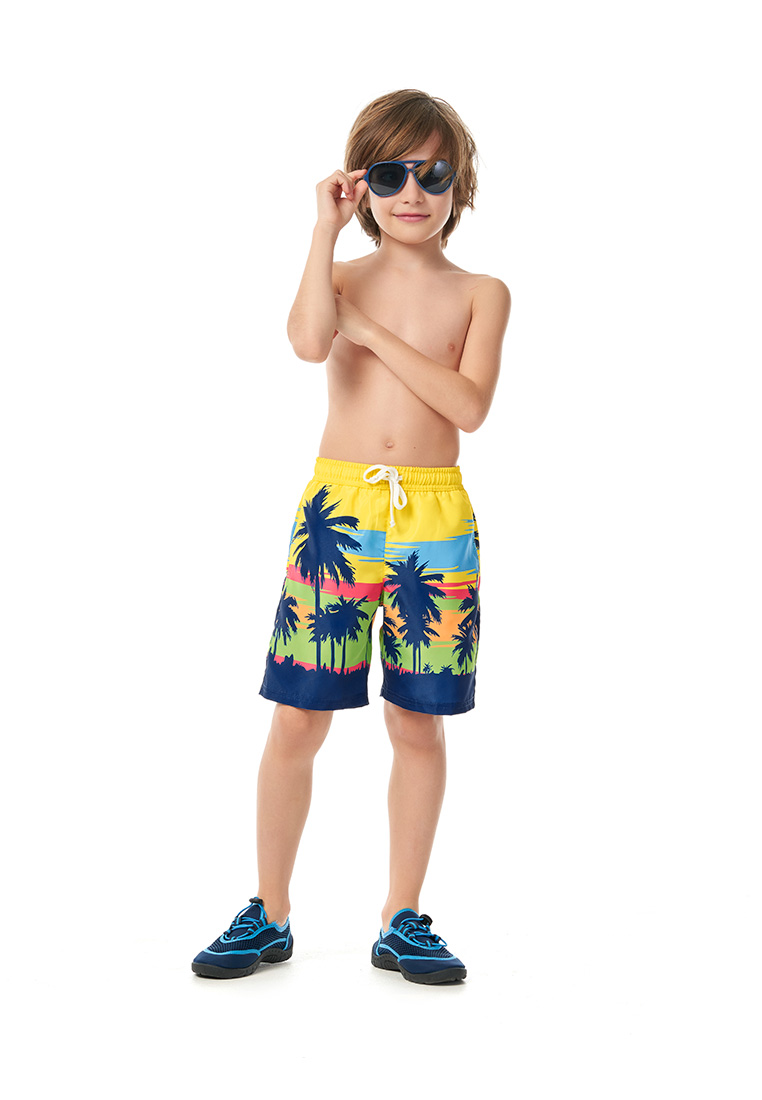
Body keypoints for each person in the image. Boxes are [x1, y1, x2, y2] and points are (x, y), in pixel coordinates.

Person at [192, 89, 511, 985]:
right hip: (337, 516)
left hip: (434, 522)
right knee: (298, 713)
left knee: (417, 721)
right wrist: (322, 233)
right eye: (392, 173)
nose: (413, 192)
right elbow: (305, 342)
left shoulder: (482, 293)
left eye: (434, 174)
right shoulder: (335, 278)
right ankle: (270, 911)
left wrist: (368, 332)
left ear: (460, 184)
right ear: (361, 183)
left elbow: (468, 406)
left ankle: (402, 917)